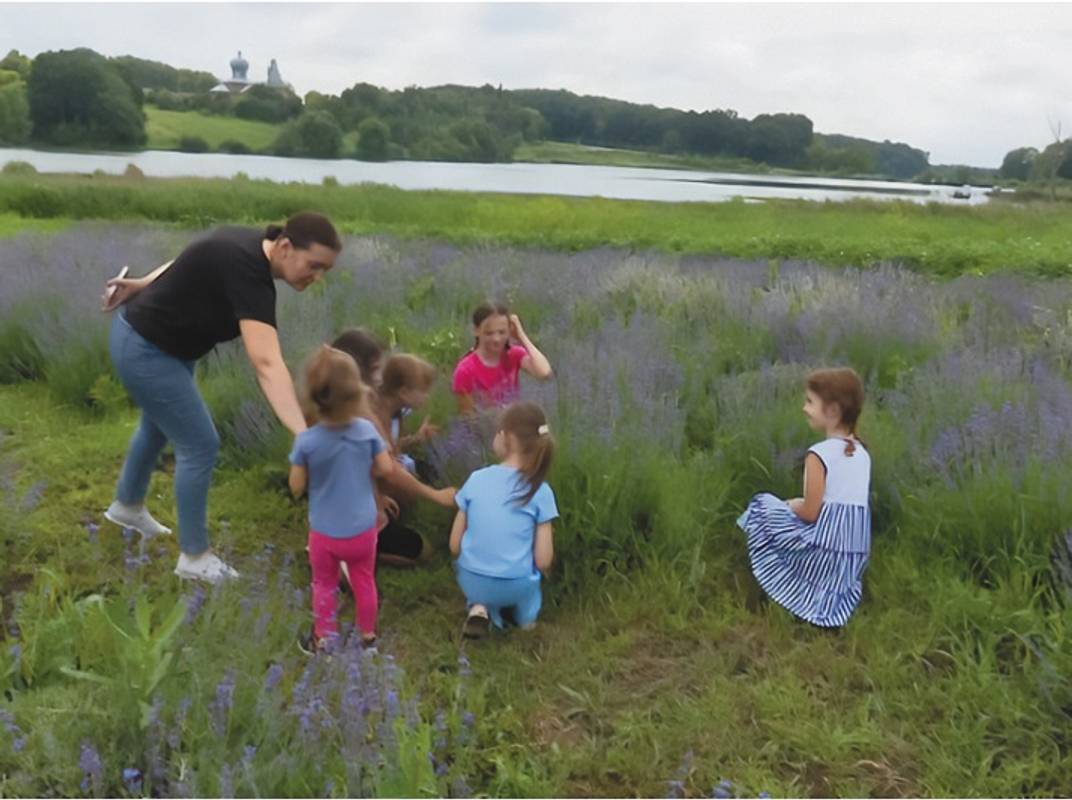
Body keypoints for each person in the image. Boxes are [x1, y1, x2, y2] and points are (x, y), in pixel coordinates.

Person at [101, 213, 341, 583]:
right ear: (286, 247)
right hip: (146, 349)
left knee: (158, 426)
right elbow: (265, 363)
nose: (318, 276)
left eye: (325, 269)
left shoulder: (247, 247)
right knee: (200, 444)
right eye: (314, 265)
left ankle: (126, 506)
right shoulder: (248, 272)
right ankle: (194, 557)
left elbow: (193, 258)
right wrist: (302, 432)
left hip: (165, 347)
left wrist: (145, 282)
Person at [736, 367, 872, 628]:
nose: (804, 408)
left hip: (824, 547)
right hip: (852, 555)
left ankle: (769, 587)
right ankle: (826, 608)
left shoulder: (818, 454)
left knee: (762, 506)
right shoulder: (862, 453)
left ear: (832, 412)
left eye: (810, 402)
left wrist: (790, 504)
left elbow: (811, 512)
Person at [289, 346, 393, 650]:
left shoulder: (307, 441)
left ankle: (324, 639)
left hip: (324, 531)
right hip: (363, 528)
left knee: (324, 583)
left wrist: (305, 467)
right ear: (356, 392)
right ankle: (367, 636)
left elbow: (296, 486)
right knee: (364, 580)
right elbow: (385, 468)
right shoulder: (366, 431)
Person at [449, 402, 558, 638]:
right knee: (529, 588)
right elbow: (543, 560)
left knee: (477, 580)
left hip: (471, 579)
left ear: (506, 437)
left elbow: (454, 545)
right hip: (515, 584)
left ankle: (479, 607)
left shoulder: (476, 479)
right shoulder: (540, 490)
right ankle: (526, 620)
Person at [451, 302, 552, 415]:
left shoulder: (514, 355)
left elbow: (544, 372)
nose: (496, 339)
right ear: (476, 331)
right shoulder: (465, 370)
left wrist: (521, 336)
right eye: (489, 333)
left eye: (502, 332)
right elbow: (467, 416)